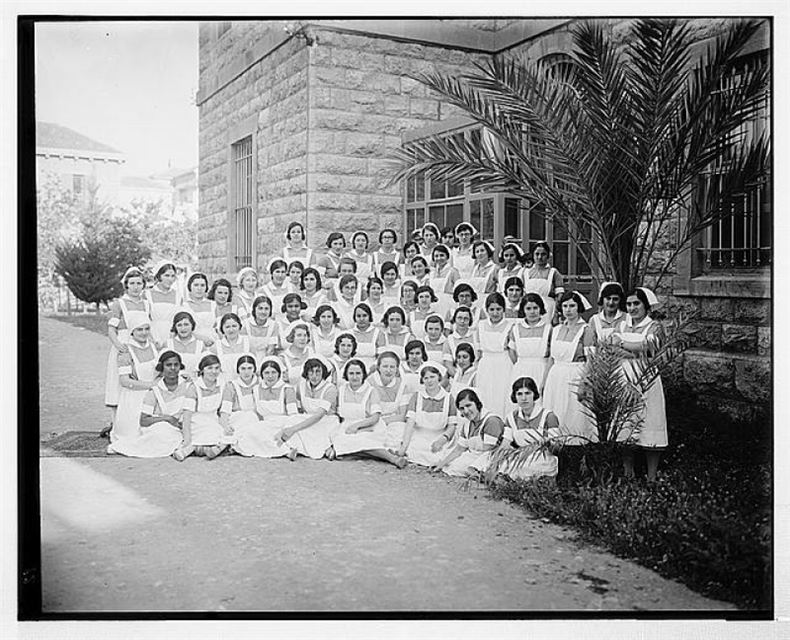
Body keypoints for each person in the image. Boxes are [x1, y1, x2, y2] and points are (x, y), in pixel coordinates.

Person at [611, 287, 668, 480]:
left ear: (645, 305)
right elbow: (611, 348)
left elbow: (650, 348)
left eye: (637, 303)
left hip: (646, 378)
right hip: (623, 376)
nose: (632, 308)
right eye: (629, 304)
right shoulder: (621, 325)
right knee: (626, 423)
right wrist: (635, 350)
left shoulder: (654, 326)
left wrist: (623, 345)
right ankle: (628, 472)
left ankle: (651, 477)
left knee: (650, 421)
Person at [107, 350, 187, 458]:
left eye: (176, 365)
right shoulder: (155, 390)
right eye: (168, 365)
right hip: (162, 426)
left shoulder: (188, 386)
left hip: (183, 426)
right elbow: (143, 420)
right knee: (160, 433)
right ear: (161, 368)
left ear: (180, 367)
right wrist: (167, 419)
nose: (172, 368)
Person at [328, 359, 407, 467]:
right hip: (347, 427)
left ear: (363, 374)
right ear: (346, 374)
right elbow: (336, 413)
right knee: (342, 442)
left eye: (358, 373)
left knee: (360, 441)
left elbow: (375, 417)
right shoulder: (341, 390)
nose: (355, 377)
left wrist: (357, 426)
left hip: (370, 426)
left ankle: (393, 459)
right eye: (351, 373)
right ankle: (370, 454)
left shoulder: (371, 391)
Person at [542, 291, 596, 445]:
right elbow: (551, 358)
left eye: (572, 306)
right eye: (565, 306)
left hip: (575, 375)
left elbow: (591, 360)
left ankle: (575, 451)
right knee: (555, 414)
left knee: (573, 417)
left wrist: (584, 383)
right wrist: (544, 382)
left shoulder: (586, 330)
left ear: (579, 307)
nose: (568, 309)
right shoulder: (556, 329)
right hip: (556, 376)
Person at [104, 267, 151, 436]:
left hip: (142, 344)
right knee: (119, 384)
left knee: (140, 380)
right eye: (132, 283)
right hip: (124, 344)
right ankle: (115, 424)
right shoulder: (119, 304)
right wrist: (118, 345)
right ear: (126, 285)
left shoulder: (146, 304)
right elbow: (111, 330)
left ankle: (135, 420)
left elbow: (147, 327)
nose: (136, 287)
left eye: (139, 283)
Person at [232, 356, 301, 460]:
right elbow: (257, 412)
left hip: (283, 424)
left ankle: (286, 450)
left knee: (263, 434)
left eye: (273, 372)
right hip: (266, 423)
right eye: (267, 373)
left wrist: (285, 430)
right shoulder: (256, 389)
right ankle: (285, 451)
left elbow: (293, 415)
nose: (270, 376)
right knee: (249, 433)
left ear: (279, 374)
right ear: (262, 374)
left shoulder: (287, 389)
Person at [497, 377, 560, 480]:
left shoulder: (548, 416)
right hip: (520, 457)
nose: (524, 398)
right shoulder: (511, 417)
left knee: (523, 468)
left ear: (534, 394)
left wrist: (548, 443)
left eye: (527, 393)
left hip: (542, 460)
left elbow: (557, 447)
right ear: (515, 396)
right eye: (519, 394)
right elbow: (505, 444)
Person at [394, 364, 457, 467]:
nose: (429, 381)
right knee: (411, 450)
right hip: (419, 435)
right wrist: (404, 446)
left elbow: (452, 425)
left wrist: (442, 440)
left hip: (439, 436)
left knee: (439, 456)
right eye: (426, 378)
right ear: (422, 380)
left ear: (439, 378)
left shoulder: (448, 398)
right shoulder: (417, 396)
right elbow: (410, 423)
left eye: (432, 377)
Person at [277, 357, 339, 460]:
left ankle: (325, 447)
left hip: (326, 420)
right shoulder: (301, 386)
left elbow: (319, 416)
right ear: (306, 373)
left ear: (323, 372)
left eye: (318, 372)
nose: (314, 376)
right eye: (311, 372)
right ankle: (294, 449)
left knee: (302, 428)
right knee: (292, 420)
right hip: (308, 417)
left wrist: (294, 429)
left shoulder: (330, 389)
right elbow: (300, 407)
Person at [109, 318, 159, 445]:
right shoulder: (125, 351)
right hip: (134, 397)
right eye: (139, 329)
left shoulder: (153, 348)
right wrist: (151, 385)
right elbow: (125, 381)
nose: (143, 333)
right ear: (132, 332)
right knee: (134, 438)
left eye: (147, 329)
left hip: (153, 396)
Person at [434, 388, 504, 477]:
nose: (466, 411)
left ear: (477, 403)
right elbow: (459, 449)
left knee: (464, 468)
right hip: (475, 456)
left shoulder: (491, 421)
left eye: (468, 405)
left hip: (491, 458)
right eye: (462, 408)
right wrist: (442, 463)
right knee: (450, 466)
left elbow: (489, 450)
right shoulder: (467, 425)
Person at [173, 354, 227, 461]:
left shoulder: (222, 384)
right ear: (202, 370)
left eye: (217, 368)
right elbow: (187, 415)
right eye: (209, 368)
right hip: (196, 420)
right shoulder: (194, 387)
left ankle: (203, 450)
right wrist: (187, 437)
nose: (214, 371)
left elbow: (221, 409)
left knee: (224, 433)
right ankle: (187, 450)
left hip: (213, 419)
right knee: (206, 433)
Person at [476, 292, 514, 416]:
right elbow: (479, 350)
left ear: (503, 310)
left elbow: (512, 351)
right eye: (492, 309)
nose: (495, 313)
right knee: (485, 394)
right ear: (486, 310)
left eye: (498, 309)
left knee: (501, 394)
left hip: (503, 364)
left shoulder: (510, 326)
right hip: (486, 364)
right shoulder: (481, 325)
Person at [508, 293, 553, 393]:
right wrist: (521, 364)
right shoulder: (516, 328)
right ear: (523, 310)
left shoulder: (548, 328)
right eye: (528, 308)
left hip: (541, 369)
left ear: (540, 309)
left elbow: (551, 354)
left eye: (535, 308)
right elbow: (512, 351)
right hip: (521, 369)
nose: (532, 312)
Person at [367, 351, 411, 454]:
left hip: (393, 421)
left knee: (401, 431)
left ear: (397, 369)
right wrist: (376, 422)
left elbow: (402, 415)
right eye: (385, 366)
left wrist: (384, 421)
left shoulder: (402, 385)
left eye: (392, 367)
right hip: (372, 421)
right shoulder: (369, 382)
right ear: (378, 367)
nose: (388, 370)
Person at [217, 354, 260, 449]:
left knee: (252, 419)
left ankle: (229, 445)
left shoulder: (261, 384)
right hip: (237, 419)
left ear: (255, 369)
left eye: (250, 368)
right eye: (243, 368)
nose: (246, 372)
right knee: (247, 418)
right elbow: (225, 411)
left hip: (256, 420)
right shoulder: (231, 386)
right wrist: (225, 426)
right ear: (238, 370)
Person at [523, 242, 564, 325]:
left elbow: (560, 294)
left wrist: (556, 312)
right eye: (537, 254)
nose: (539, 257)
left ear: (548, 256)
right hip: (529, 307)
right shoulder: (525, 272)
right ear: (533, 255)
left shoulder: (553, 272)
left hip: (548, 308)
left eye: (543, 254)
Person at [146, 261, 182, 347]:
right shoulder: (147, 294)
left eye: (173, 276)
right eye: (166, 275)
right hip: (153, 336)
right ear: (159, 276)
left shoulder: (178, 296)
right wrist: (151, 339)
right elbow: (144, 319)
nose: (170, 279)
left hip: (172, 336)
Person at [211, 312, 253, 384]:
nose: (231, 330)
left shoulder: (248, 342)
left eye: (234, 326)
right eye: (227, 327)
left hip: (245, 384)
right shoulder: (216, 346)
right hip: (224, 384)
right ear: (222, 329)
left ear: (239, 327)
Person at [166, 311, 208, 381]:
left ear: (192, 325)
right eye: (179, 325)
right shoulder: (168, 344)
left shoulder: (200, 345)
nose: (183, 328)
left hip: (195, 383)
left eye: (186, 324)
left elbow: (205, 368)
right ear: (175, 327)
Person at [182, 272, 216, 345]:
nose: (199, 288)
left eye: (202, 285)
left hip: (213, 341)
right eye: (196, 285)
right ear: (190, 286)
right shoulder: (184, 306)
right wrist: (202, 339)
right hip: (193, 343)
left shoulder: (213, 305)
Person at [244, 295, 280, 364]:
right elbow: (245, 347)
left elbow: (270, 350)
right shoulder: (245, 324)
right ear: (254, 309)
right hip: (248, 360)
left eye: (266, 309)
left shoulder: (274, 325)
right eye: (260, 308)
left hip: (266, 360)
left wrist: (263, 365)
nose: (263, 312)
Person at [350, 303, 384, 371]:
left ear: (370, 316)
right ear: (354, 317)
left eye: (364, 315)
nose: (361, 319)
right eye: (358, 316)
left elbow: (381, 356)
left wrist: (373, 368)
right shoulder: (349, 333)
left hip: (373, 370)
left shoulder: (378, 333)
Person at [429, 244, 459, 318]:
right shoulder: (432, 273)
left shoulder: (453, 271)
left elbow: (458, 290)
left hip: (448, 303)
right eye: (436, 256)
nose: (439, 258)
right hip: (434, 304)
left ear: (447, 257)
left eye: (442, 255)